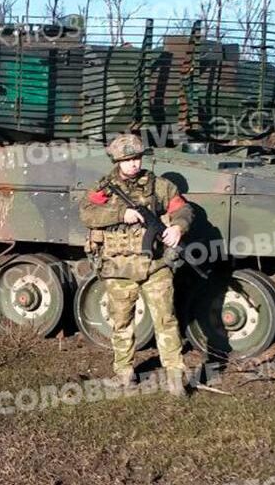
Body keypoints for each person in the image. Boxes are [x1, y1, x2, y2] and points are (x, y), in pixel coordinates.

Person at [79, 134, 193, 397]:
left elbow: (183, 209)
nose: (133, 164)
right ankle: (124, 375)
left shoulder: (160, 186)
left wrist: (178, 227)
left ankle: (175, 376)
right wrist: (121, 214)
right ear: (118, 160)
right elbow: (86, 213)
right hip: (118, 267)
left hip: (155, 266)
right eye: (127, 159)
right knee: (122, 323)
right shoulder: (104, 188)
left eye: (137, 158)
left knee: (166, 320)